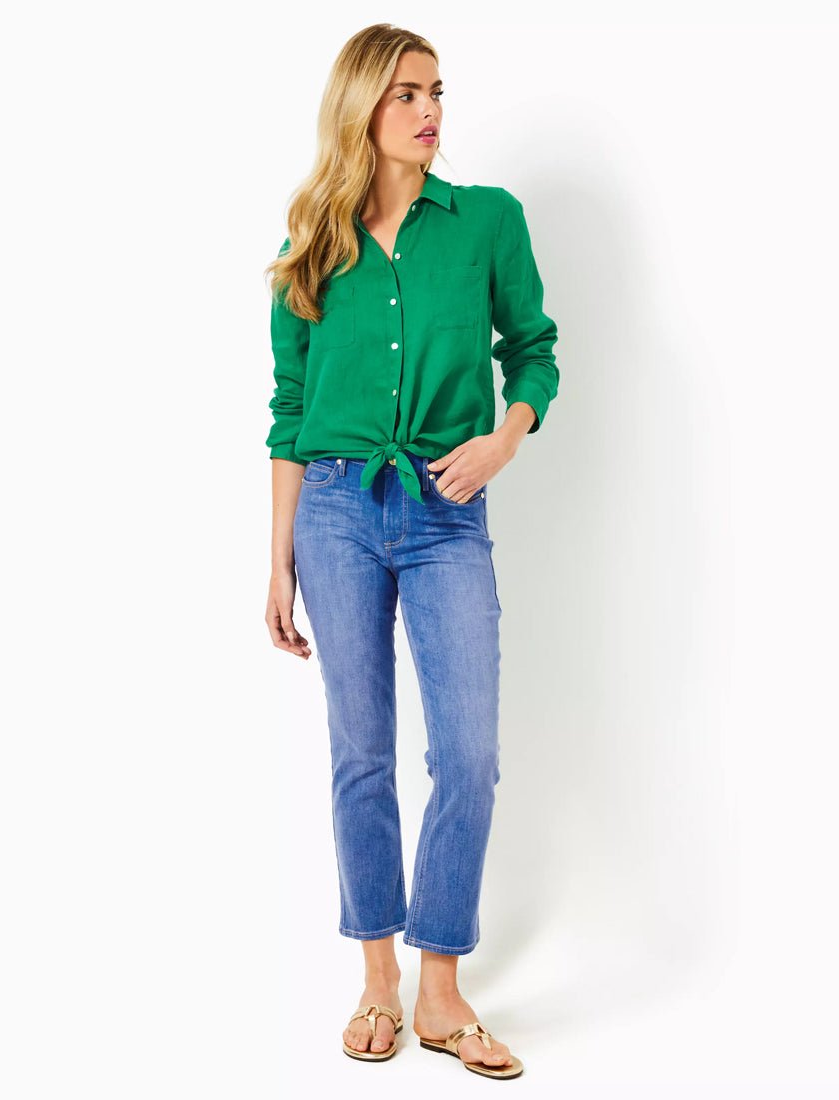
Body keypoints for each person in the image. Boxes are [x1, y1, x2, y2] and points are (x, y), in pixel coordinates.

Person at [263, 24, 558, 1081]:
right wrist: (277, 560)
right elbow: (290, 410)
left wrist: (504, 437)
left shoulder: (487, 221)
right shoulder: (313, 240)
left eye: (437, 91)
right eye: (406, 94)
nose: (430, 111)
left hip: (445, 508)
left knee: (467, 753)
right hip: (335, 511)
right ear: (362, 108)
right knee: (362, 752)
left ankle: (441, 987)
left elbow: (534, 348)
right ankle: (378, 980)